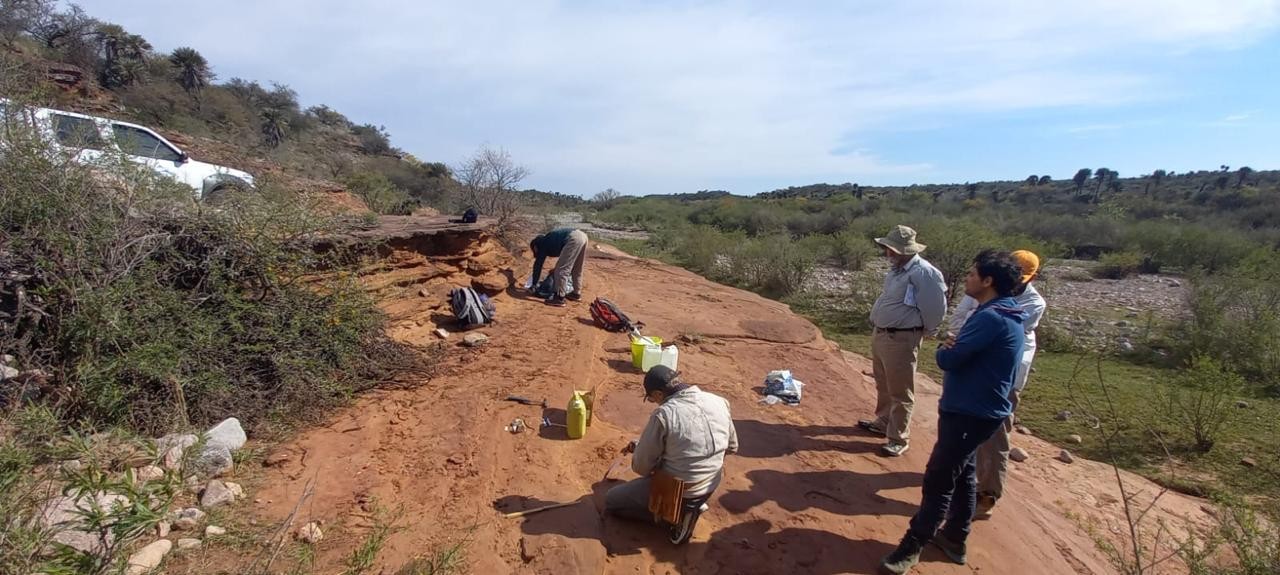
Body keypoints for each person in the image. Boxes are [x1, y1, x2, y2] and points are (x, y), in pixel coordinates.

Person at [880, 250, 1027, 574]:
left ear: (988, 281)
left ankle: (911, 546)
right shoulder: (1008, 311)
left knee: (939, 479)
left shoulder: (990, 317)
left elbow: (950, 359)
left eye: (973, 274)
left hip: (969, 411)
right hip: (981, 412)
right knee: (964, 473)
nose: (968, 278)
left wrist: (948, 349)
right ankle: (955, 538)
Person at [947, 250, 1047, 518]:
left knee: (996, 436)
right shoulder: (982, 292)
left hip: (1004, 379)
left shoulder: (1033, 303)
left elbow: (995, 331)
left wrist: (964, 340)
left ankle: (987, 494)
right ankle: (966, 482)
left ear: (1032, 277)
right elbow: (961, 318)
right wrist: (962, 337)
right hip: (972, 369)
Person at [604, 365, 739, 544]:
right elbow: (732, 446)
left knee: (612, 501)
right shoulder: (718, 401)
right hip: (712, 482)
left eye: (652, 398)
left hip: (680, 491)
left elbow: (641, 467)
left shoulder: (664, 414)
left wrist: (649, 453)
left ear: (659, 394)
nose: (655, 402)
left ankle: (676, 517)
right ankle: (694, 505)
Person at [856, 225, 947, 457]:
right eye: (888, 248)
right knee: (883, 382)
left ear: (907, 250)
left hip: (902, 336)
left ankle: (898, 438)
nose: (888, 253)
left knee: (901, 390)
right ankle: (883, 421)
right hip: (883, 334)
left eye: (892, 249)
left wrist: (926, 331)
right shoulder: (898, 270)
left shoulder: (924, 272)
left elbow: (936, 308)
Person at [528, 228, 588, 307]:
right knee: (577, 268)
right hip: (583, 236)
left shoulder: (542, 243)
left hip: (573, 238)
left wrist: (534, 284)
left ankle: (559, 298)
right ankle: (576, 294)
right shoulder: (549, 239)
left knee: (561, 271)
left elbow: (538, 264)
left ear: (535, 247)